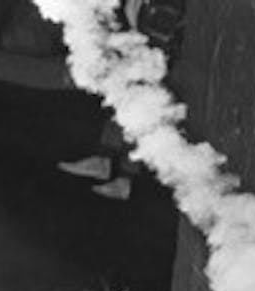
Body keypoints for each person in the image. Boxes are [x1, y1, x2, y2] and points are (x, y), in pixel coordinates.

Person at [56, 0, 186, 200]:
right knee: (124, 107)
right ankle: (111, 167)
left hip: (153, 62)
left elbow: (161, 37)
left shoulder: (164, 5)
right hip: (140, 56)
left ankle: (119, 173)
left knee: (133, 111)